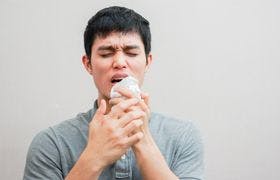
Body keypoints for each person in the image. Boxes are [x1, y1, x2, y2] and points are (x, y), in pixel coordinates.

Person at [23, 6, 204, 180]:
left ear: (148, 62)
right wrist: (94, 157)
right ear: (88, 64)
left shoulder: (183, 136)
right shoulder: (51, 143)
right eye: (106, 54)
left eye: (131, 53)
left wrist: (141, 138)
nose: (119, 62)